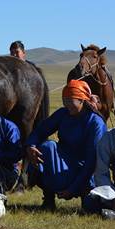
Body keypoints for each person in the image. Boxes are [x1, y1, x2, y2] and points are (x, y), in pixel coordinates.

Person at [24, 79, 107, 210]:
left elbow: (92, 161)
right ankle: (49, 198)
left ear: (82, 100)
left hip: (86, 171)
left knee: (91, 208)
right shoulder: (63, 114)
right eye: (65, 100)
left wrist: (73, 189)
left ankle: (86, 193)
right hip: (64, 162)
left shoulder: (95, 123)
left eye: (70, 101)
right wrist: (31, 146)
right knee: (47, 147)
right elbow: (41, 130)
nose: (66, 104)